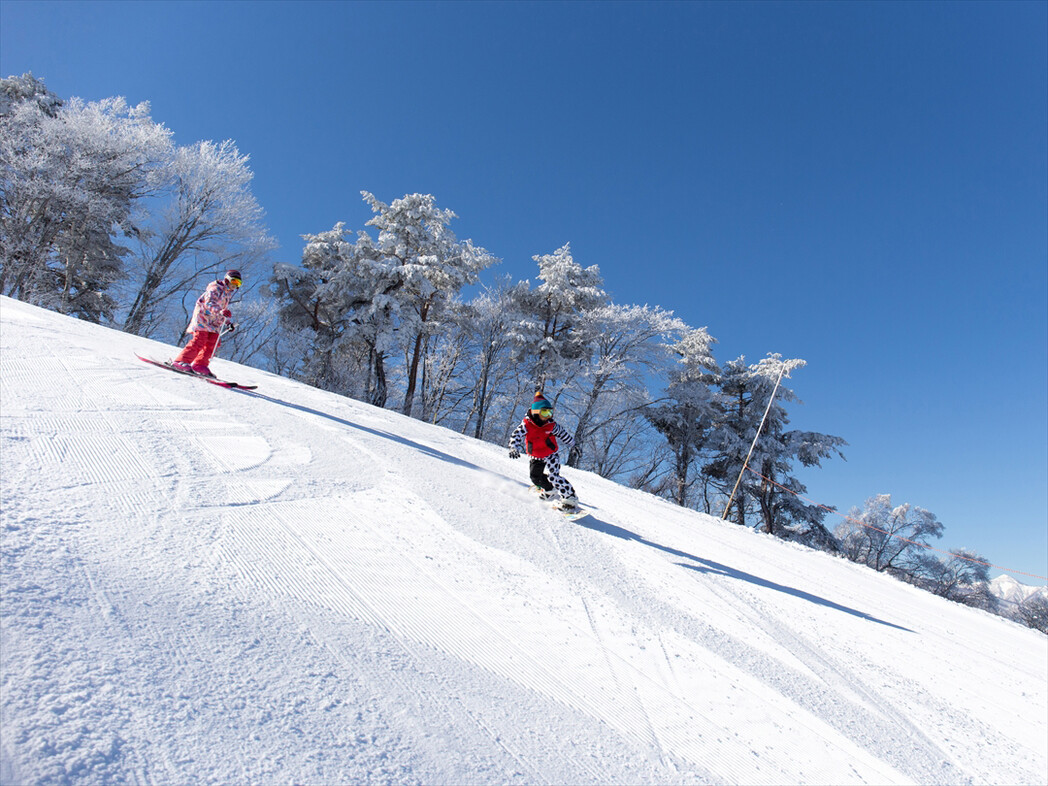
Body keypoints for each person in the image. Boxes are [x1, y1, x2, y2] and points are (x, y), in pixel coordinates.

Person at [508, 391, 579, 511]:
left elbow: (563, 434)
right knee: (535, 477)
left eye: (550, 413)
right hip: (536, 455)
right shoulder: (526, 425)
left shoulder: (551, 425)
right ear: (536, 412)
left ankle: (570, 498)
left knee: (553, 476)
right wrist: (513, 447)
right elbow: (516, 435)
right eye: (545, 412)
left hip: (551, 454)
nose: (548, 416)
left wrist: (573, 445)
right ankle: (549, 490)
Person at [171, 270, 241, 377]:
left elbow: (222, 310)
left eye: (238, 284)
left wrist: (227, 323)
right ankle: (181, 361)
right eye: (234, 281)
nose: (234, 285)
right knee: (200, 339)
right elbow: (209, 303)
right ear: (227, 280)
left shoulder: (227, 295)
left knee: (213, 342)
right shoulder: (215, 288)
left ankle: (200, 365)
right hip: (203, 317)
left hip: (214, 322)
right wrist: (220, 311)